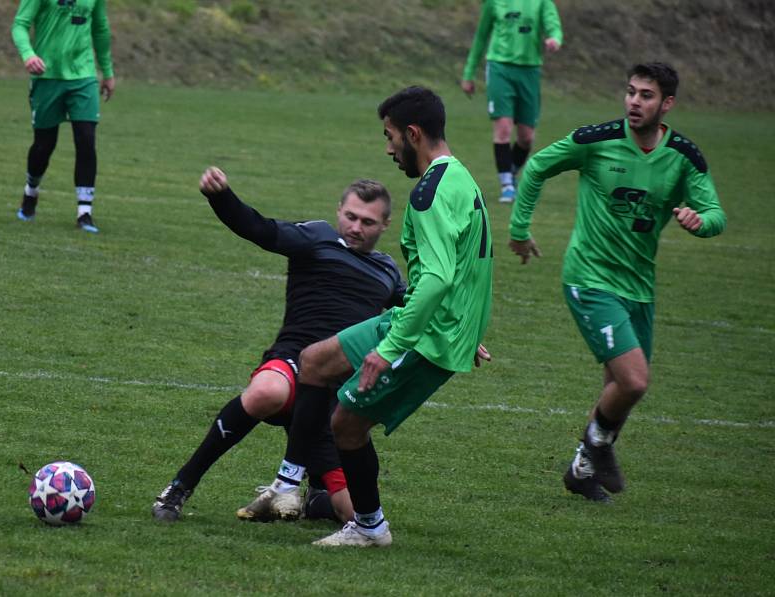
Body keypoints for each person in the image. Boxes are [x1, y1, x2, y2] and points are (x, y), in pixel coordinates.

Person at [252, 86, 493, 548]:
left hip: (427, 335)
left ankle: (369, 527)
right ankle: (286, 484)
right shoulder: (461, 177)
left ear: (413, 133)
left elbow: (439, 278)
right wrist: (469, 324)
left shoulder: (428, 194)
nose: (388, 149)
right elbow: (469, 266)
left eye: (390, 137)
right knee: (315, 361)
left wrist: (389, 347)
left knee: (346, 424)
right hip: (441, 323)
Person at [508, 62, 727, 502]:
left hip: (639, 288)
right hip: (589, 278)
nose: (633, 101)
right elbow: (535, 169)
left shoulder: (685, 157)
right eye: (630, 91)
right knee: (634, 381)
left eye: (646, 95)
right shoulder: (596, 140)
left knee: (620, 390)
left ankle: (581, 469)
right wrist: (519, 230)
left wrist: (698, 220)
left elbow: (717, 215)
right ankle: (596, 447)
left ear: (667, 104)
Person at [152, 170, 405, 523]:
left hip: (335, 397)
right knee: (265, 392)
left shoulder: (387, 271)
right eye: (350, 217)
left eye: (368, 221)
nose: (356, 227)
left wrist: (463, 338)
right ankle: (179, 486)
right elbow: (259, 228)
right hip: (294, 363)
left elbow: (419, 314)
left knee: (355, 514)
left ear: (385, 225)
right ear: (338, 211)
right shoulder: (316, 237)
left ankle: (316, 496)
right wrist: (221, 196)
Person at [12, 0, 116, 233]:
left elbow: (100, 28)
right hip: (47, 76)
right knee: (44, 145)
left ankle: (84, 212)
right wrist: (28, 55)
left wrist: (107, 71)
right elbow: (19, 24)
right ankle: (31, 192)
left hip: (83, 75)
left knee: (86, 138)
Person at [461, 0, 563, 203]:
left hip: (529, 71)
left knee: (526, 137)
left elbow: (554, 25)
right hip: (500, 68)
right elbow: (481, 36)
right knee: (504, 128)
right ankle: (506, 185)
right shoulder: (494, 3)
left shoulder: (542, 2)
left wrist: (554, 38)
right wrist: (468, 73)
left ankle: (510, 171)